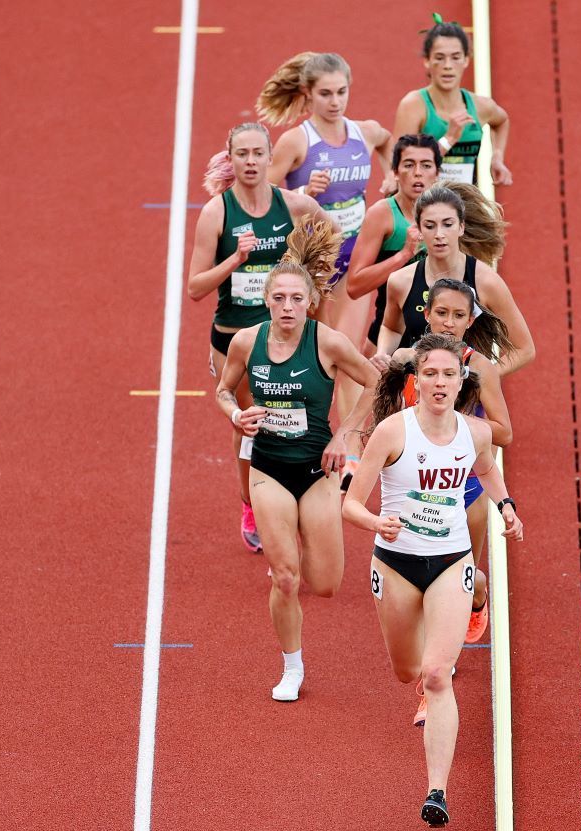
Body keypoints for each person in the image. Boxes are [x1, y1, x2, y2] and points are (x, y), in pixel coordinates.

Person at [342, 332, 523, 827]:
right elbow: (350, 504)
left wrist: (505, 506)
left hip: (451, 562)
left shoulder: (475, 432)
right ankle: (420, 671)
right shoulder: (393, 433)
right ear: (415, 382)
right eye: (430, 374)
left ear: (460, 381)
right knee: (407, 671)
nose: (440, 383)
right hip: (395, 564)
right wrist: (375, 521)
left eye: (448, 374)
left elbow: (486, 469)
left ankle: (436, 791)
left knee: (437, 674)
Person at [215, 219, 379, 702]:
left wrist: (344, 438)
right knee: (286, 577)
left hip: (317, 472)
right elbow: (224, 389)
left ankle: (298, 540)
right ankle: (292, 666)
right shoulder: (247, 342)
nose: (288, 307)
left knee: (324, 584)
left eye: (296, 299)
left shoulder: (327, 341)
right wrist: (236, 414)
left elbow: (372, 382)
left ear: (309, 302)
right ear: (267, 300)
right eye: (279, 298)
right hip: (268, 469)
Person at [189, 122, 332, 553]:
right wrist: (236, 258)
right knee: (250, 423)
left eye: (257, 154)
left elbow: (330, 238)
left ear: (271, 158)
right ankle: (251, 501)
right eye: (242, 155)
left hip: (289, 334)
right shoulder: (218, 212)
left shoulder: (292, 204)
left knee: (293, 415)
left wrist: (314, 288)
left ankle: (292, 498)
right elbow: (195, 287)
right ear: (230, 160)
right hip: (237, 338)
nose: (250, 162)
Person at [377, 278, 517, 642]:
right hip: (413, 483)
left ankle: (477, 592)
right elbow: (384, 416)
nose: (449, 322)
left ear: (471, 321)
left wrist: (457, 424)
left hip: (465, 483)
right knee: (417, 571)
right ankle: (434, 659)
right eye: (442, 313)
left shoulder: (480, 367)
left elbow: (504, 431)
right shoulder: (406, 361)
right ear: (426, 314)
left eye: (458, 315)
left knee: (457, 570)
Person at [256, 51, 394, 419]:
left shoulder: (363, 133)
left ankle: (351, 453)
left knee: (347, 353)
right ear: (308, 94)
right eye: (326, 94)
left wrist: (392, 176)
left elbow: (386, 141)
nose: (335, 102)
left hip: (354, 259)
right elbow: (259, 198)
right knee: (315, 356)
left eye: (342, 92)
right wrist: (304, 195)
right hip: (313, 264)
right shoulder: (296, 142)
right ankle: (307, 432)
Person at [376, 182, 535, 375]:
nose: (439, 234)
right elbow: (391, 328)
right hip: (417, 396)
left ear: (461, 227)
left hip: (466, 402)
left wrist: (479, 379)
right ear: (418, 229)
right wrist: (382, 354)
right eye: (430, 226)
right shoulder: (401, 281)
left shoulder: (485, 281)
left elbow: (524, 349)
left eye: (448, 224)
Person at [345, 134, 443, 353]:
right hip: (388, 336)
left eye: (426, 165)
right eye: (409, 165)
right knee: (365, 387)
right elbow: (354, 286)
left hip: (440, 335)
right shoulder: (382, 215)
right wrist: (404, 255)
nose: (418, 172)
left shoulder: (449, 215)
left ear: (437, 173)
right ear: (395, 172)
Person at [393, 17, 512, 186]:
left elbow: (502, 121)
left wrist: (497, 157)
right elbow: (400, 167)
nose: (448, 65)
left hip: (467, 208)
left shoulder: (480, 106)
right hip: (427, 208)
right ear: (427, 61)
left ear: (466, 60)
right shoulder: (414, 106)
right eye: (440, 58)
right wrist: (447, 140)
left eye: (455, 57)